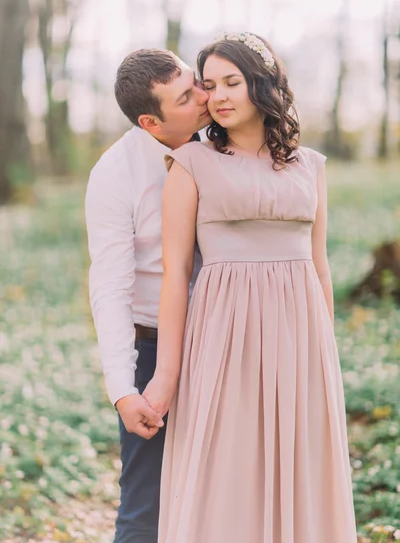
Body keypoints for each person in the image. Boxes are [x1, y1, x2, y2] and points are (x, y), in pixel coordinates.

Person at [143, 33, 358, 543]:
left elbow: (319, 265)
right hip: (225, 341)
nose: (218, 96)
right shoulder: (192, 165)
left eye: (232, 82)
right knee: (229, 474)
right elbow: (176, 274)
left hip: (301, 341)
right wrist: (167, 374)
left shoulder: (310, 166)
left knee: (301, 467)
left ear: (262, 84)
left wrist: (326, 355)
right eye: (210, 85)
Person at [85, 48, 210, 543]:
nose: (204, 96)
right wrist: (123, 388)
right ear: (150, 121)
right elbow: (110, 286)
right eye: (186, 96)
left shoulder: (227, 140)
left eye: (195, 82)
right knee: (145, 506)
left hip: (225, 334)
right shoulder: (115, 175)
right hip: (153, 346)